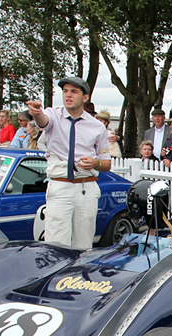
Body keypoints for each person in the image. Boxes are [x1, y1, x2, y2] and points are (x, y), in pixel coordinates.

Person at [26, 75, 111, 249]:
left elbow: (107, 164)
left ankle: (79, 275)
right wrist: (36, 114)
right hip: (60, 186)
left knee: (84, 243)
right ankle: (56, 275)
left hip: (86, 188)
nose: (68, 95)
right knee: (56, 243)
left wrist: (95, 163)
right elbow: (43, 121)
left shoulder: (97, 126)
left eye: (74, 91)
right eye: (65, 91)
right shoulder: (53, 115)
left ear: (85, 97)